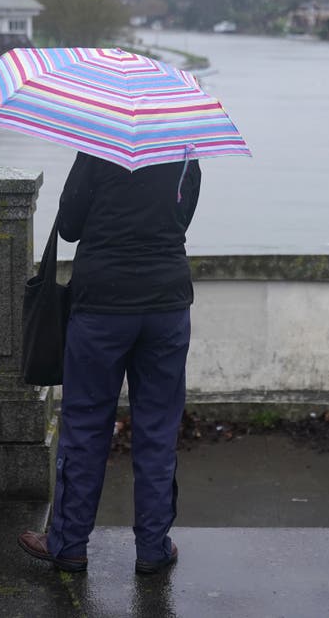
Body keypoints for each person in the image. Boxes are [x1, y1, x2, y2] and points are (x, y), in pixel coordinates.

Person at [19, 151, 200, 577]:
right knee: (157, 428)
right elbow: (182, 218)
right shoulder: (185, 150)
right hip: (166, 306)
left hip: (101, 307)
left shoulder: (99, 148)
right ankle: (153, 548)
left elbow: (69, 226)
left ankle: (68, 544)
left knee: (85, 424)